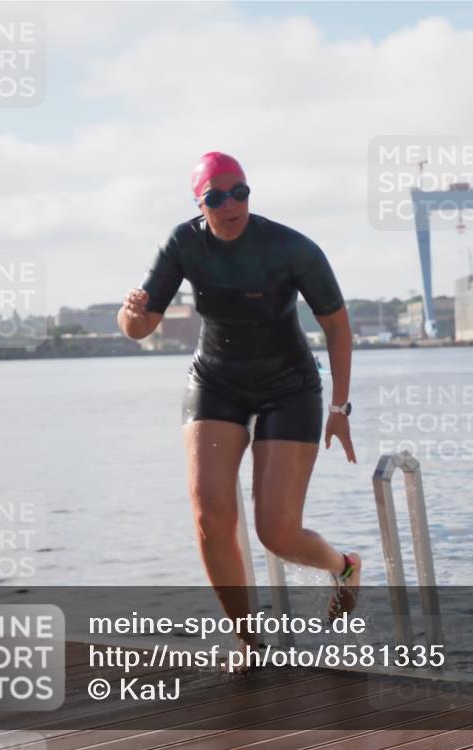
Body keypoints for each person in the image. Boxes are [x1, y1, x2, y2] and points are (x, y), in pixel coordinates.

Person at [118, 152, 360, 670]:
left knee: (276, 531)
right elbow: (139, 328)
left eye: (240, 193)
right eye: (216, 197)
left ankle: (342, 567)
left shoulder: (291, 247)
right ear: (199, 204)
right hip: (216, 382)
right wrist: (130, 315)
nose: (231, 205)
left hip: (289, 387)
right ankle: (249, 643)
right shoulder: (183, 243)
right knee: (210, 512)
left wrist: (339, 407)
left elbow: (338, 327)